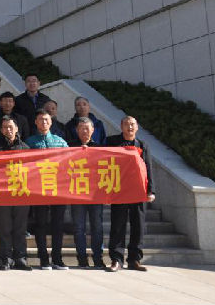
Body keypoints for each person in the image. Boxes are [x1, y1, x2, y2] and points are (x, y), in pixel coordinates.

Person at [107, 115, 155, 272]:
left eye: (132, 124)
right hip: (119, 191)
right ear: (121, 126)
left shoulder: (142, 145)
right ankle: (116, 259)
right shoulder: (112, 142)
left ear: (137, 127)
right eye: (126, 124)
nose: (130, 127)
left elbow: (148, 168)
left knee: (138, 226)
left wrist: (151, 190)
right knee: (117, 225)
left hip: (138, 191)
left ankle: (134, 259)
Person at [26, 110, 70, 270]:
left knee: (58, 224)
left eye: (46, 120)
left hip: (58, 189)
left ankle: (57, 258)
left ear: (51, 122)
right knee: (40, 224)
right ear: (35, 122)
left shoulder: (60, 142)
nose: (44, 122)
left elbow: (70, 161)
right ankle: (43, 258)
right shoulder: (30, 142)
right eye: (40, 119)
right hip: (38, 188)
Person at [0, 115, 31, 271]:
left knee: (20, 228)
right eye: (5, 127)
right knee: (5, 228)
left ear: (16, 129)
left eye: (11, 127)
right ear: (1, 130)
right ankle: (6, 258)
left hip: (21, 193)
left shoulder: (26, 148)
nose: (8, 130)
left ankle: (21, 258)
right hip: (2, 194)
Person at [69, 116, 106, 269]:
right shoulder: (69, 147)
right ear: (77, 130)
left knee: (97, 227)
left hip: (95, 194)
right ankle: (82, 258)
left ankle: (98, 258)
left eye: (87, 128)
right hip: (77, 193)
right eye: (81, 128)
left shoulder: (99, 148)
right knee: (79, 228)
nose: (84, 131)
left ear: (93, 130)